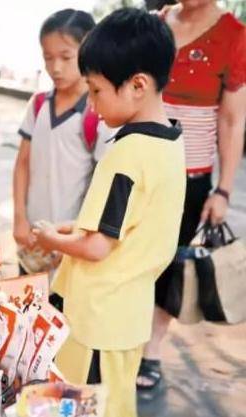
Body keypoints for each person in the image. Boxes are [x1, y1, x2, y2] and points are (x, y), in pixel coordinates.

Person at [32, 9, 185, 417]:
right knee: (116, 404)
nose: (93, 105)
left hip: (96, 318)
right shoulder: (170, 144)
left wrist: (51, 239)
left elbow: (98, 245)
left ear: (137, 85)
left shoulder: (126, 155)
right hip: (128, 315)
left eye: (97, 91)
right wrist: (71, 228)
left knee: (80, 405)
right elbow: (127, 226)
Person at [138, 0, 246, 393]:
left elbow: (233, 120)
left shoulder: (233, 35)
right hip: (136, 168)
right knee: (122, 255)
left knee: (168, 267)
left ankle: (149, 352)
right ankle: (117, 340)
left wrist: (223, 189)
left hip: (189, 178)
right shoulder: (156, 22)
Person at [13, 10, 111, 275]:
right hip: (33, 237)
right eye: (48, 57)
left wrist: (74, 236)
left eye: (66, 57)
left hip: (70, 242)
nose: (55, 67)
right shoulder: (38, 105)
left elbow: (101, 184)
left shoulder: (97, 113)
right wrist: (20, 218)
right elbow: (22, 163)